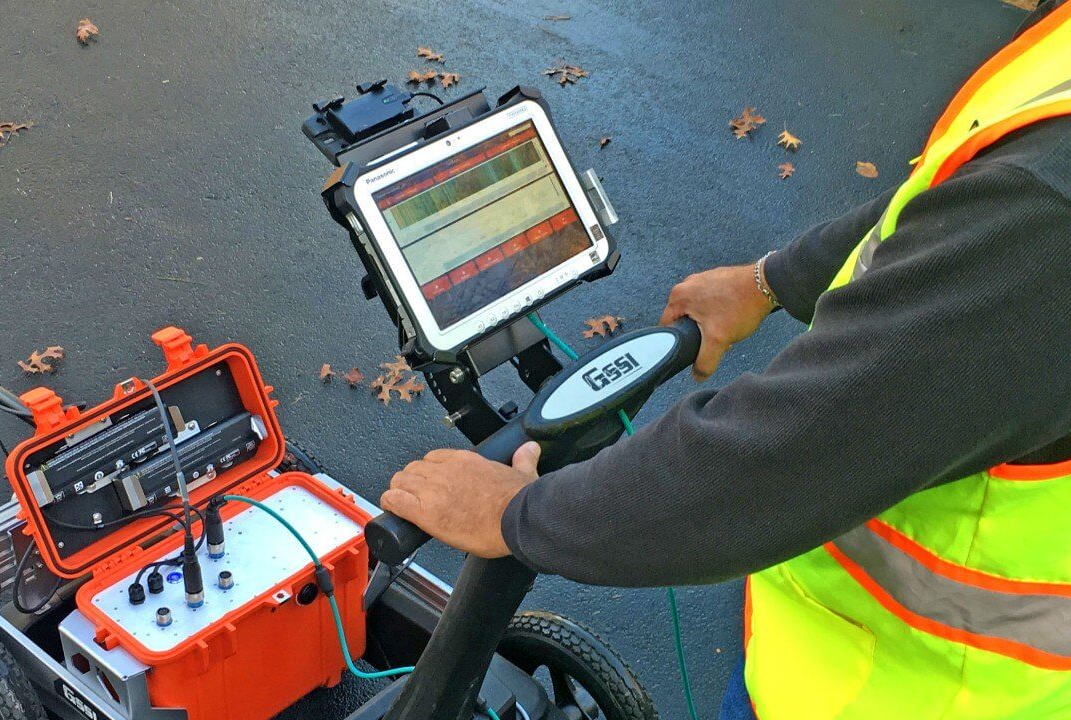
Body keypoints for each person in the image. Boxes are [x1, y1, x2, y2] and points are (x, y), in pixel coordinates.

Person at [378, 1, 1071, 717]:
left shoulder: (1052, 207)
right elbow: (953, 202)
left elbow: (795, 448)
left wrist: (517, 516)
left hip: (920, 692)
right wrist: (771, 279)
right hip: (860, 658)